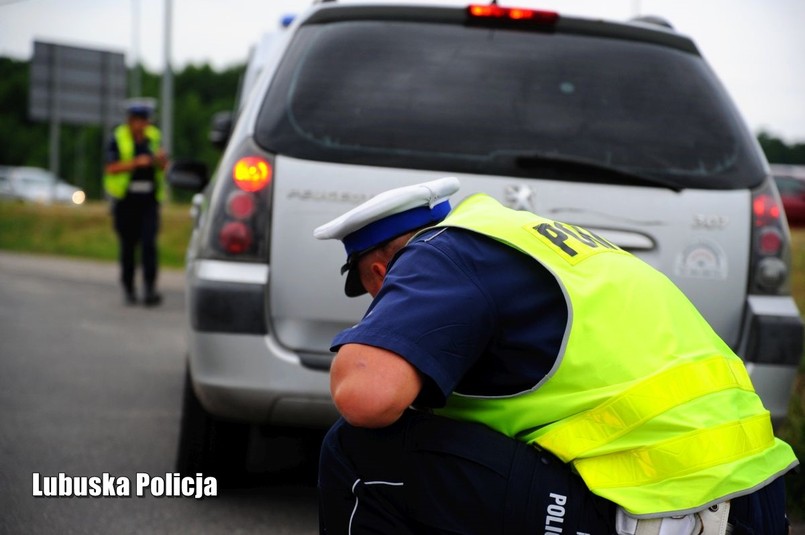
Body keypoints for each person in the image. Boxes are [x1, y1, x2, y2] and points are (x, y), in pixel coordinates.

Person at [313, 177, 798, 535]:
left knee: (356, 451)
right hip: (753, 499)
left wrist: (372, 335)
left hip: (661, 506)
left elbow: (367, 395)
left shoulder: (439, 253)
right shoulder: (526, 237)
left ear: (380, 272)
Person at [103, 98, 168, 306]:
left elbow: (164, 166)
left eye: (146, 120)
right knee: (128, 246)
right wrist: (135, 163)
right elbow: (110, 168)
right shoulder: (118, 138)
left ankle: (150, 289)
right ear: (130, 121)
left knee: (149, 244)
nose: (143, 124)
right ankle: (129, 287)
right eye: (138, 120)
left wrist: (162, 161)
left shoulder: (154, 138)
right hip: (126, 200)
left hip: (149, 200)